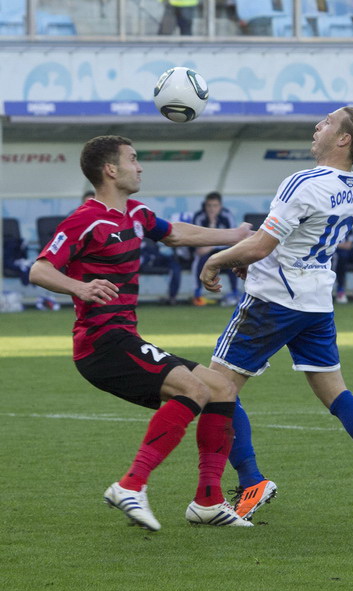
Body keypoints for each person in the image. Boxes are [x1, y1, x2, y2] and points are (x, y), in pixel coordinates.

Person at [199, 107, 353, 520]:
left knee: (215, 388)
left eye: (327, 123)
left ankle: (251, 482)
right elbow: (289, 241)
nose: (317, 127)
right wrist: (255, 256)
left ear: (343, 140)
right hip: (315, 301)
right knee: (336, 392)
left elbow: (263, 246)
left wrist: (216, 261)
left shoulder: (302, 181)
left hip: (273, 301)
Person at [28, 135, 254, 530]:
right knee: (195, 389)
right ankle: (130, 485)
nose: (140, 167)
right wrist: (80, 287)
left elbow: (177, 233)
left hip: (124, 338)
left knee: (222, 389)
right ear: (110, 170)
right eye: (133, 160)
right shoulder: (86, 219)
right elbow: (39, 268)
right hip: (102, 344)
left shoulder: (136, 213)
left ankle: (208, 501)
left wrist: (234, 237)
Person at [192, 192, 240, 306]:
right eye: (209, 205)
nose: (212, 209)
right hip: (205, 251)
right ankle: (197, 294)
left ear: (220, 206)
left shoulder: (227, 216)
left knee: (234, 259)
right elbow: (196, 240)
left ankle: (235, 293)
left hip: (223, 249)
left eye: (215, 205)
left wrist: (212, 245)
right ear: (205, 206)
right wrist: (212, 224)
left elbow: (234, 238)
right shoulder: (199, 217)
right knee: (199, 259)